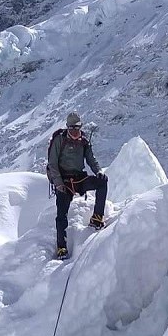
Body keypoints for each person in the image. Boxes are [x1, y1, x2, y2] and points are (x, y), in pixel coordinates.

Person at [46, 111, 108, 259]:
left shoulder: (84, 142)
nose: (75, 130)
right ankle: (61, 247)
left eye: (77, 127)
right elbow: (52, 164)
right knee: (62, 215)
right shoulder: (59, 141)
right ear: (67, 127)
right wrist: (59, 184)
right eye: (72, 127)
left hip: (79, 179)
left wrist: (98, 171)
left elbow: (91, 160)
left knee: (102, 183)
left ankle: (97, 218)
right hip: (64, 182)